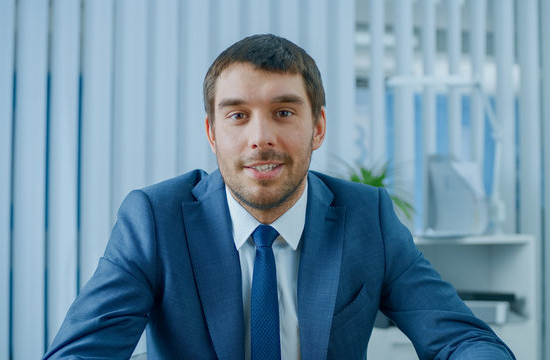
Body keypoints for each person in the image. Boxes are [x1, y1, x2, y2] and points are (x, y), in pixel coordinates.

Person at [44, 34, 514, 360]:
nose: (261, 138)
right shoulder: (154, 220)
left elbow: (460, 338)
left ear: (318, 127)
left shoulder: (366, 217)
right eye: (237, 116)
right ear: (212, 133)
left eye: (284, 111)